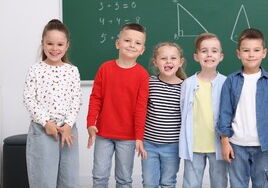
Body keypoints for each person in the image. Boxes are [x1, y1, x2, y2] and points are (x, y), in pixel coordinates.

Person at [217, 28, 268, 188]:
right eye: (246, 50)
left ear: (264, 52)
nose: (251, 54)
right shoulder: (231, 81)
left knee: (262, 184)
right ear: (238, 53)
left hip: (264, 145)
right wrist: (225, 142)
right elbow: (225, 114)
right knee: (237, 184)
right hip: (236, 144)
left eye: (256, 50)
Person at [86, 23, 149, 187]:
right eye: (127, 40)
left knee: (124, 179)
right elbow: (95, 98)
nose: (132, 45)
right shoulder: (105, 69)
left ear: (142, 49)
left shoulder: (142, 75)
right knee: (99, 176)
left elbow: (141, 108)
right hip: (103, 133)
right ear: (118, 43)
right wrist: (90, 123)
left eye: (137, 43)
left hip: (128, 137)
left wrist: (139, 137)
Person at [23, 19, 82, 187]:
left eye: (60, 44)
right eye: (50, 43)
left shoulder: (72, 70)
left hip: (67, 130)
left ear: (67, 45)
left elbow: (76, 99)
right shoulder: (35, 69)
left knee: (68, 179)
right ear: (42, 43)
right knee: (43, 180)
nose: (55, 49)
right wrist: (45, 122)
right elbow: (28, 98)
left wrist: (69, 125)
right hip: (43, 130)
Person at [179, 32, 228, 188]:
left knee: (219, 183)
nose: (209, 55)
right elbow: (182, 111)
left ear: (221, 56)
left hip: (218, 145)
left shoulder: (227, 83)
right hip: (194, 145)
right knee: (190, 184)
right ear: (196, 56)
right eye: (204, 51)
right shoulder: (187, 83)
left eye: (214, 51)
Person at [141, 42, 187, 188]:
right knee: (149, 183)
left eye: (173, 58)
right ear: (155, 62)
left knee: (168, 182)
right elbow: (140, 110)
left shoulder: (185, 86)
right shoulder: (149, 83)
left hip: (173, 146)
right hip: (149, 144)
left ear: (180, 62)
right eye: (163, 58)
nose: (168, 62)